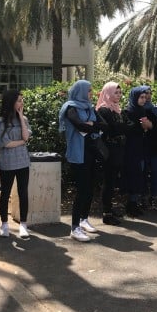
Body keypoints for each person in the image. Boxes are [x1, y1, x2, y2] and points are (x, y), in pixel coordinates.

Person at [59, 80, 108, 242]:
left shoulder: (89, 107)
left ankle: (83, 219)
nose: (91, 93)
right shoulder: (70, 108)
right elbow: (79, 125)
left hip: (91, 153)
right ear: (80, 91)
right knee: (81, 190)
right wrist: (93, 126)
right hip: (78, 154)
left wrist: (92, 124)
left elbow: (104, 125)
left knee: (90, 188)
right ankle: (74, 228)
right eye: (89, 90)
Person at [0, 89, 32, 238]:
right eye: (19, 100)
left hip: (23, 161)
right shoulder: (1, 122)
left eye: (22, 100)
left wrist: (21, 117)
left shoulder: (24, 119)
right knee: (5, 193)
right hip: (7, 162)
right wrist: (21, 142)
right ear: (11, 102)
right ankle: (4, 225)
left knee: (23, 193)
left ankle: (23, 224)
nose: (22, 103)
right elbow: (6, 143)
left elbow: (26, 137)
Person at [95, 82, 128, 225]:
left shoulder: (116, 109)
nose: (119, 95)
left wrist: (124, 127)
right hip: (109, 151)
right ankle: (106, 213)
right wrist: (124, 127)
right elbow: (113, 129)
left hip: (118, 149)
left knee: (113, 181)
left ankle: (109, 208)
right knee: (108, 182)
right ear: (108, 93)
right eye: (116, 92)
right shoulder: (104, 110)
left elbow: (125, 126)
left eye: (120, 92)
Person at [122, 86, 156, 218]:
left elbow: (149, 126)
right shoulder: (128, 111)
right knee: (133, 174)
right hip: (131, 147)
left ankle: (134, 203)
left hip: (140, 147)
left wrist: (146, 126)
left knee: (140, 174)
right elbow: (131, 128)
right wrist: (143, 127)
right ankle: (130, 205)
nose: (143, 99)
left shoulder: (141, 110)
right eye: (141, 97)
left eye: (144, 97)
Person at [142, 85, 157, 210]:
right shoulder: (136, 109)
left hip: (156, 146)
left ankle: (154, 197)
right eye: (145, 93)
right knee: (143, 173)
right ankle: (143, 197)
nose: (148, 95)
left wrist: (152, 125)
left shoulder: (156, 110)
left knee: (156, 173)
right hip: (142, 146)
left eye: (150, 93)